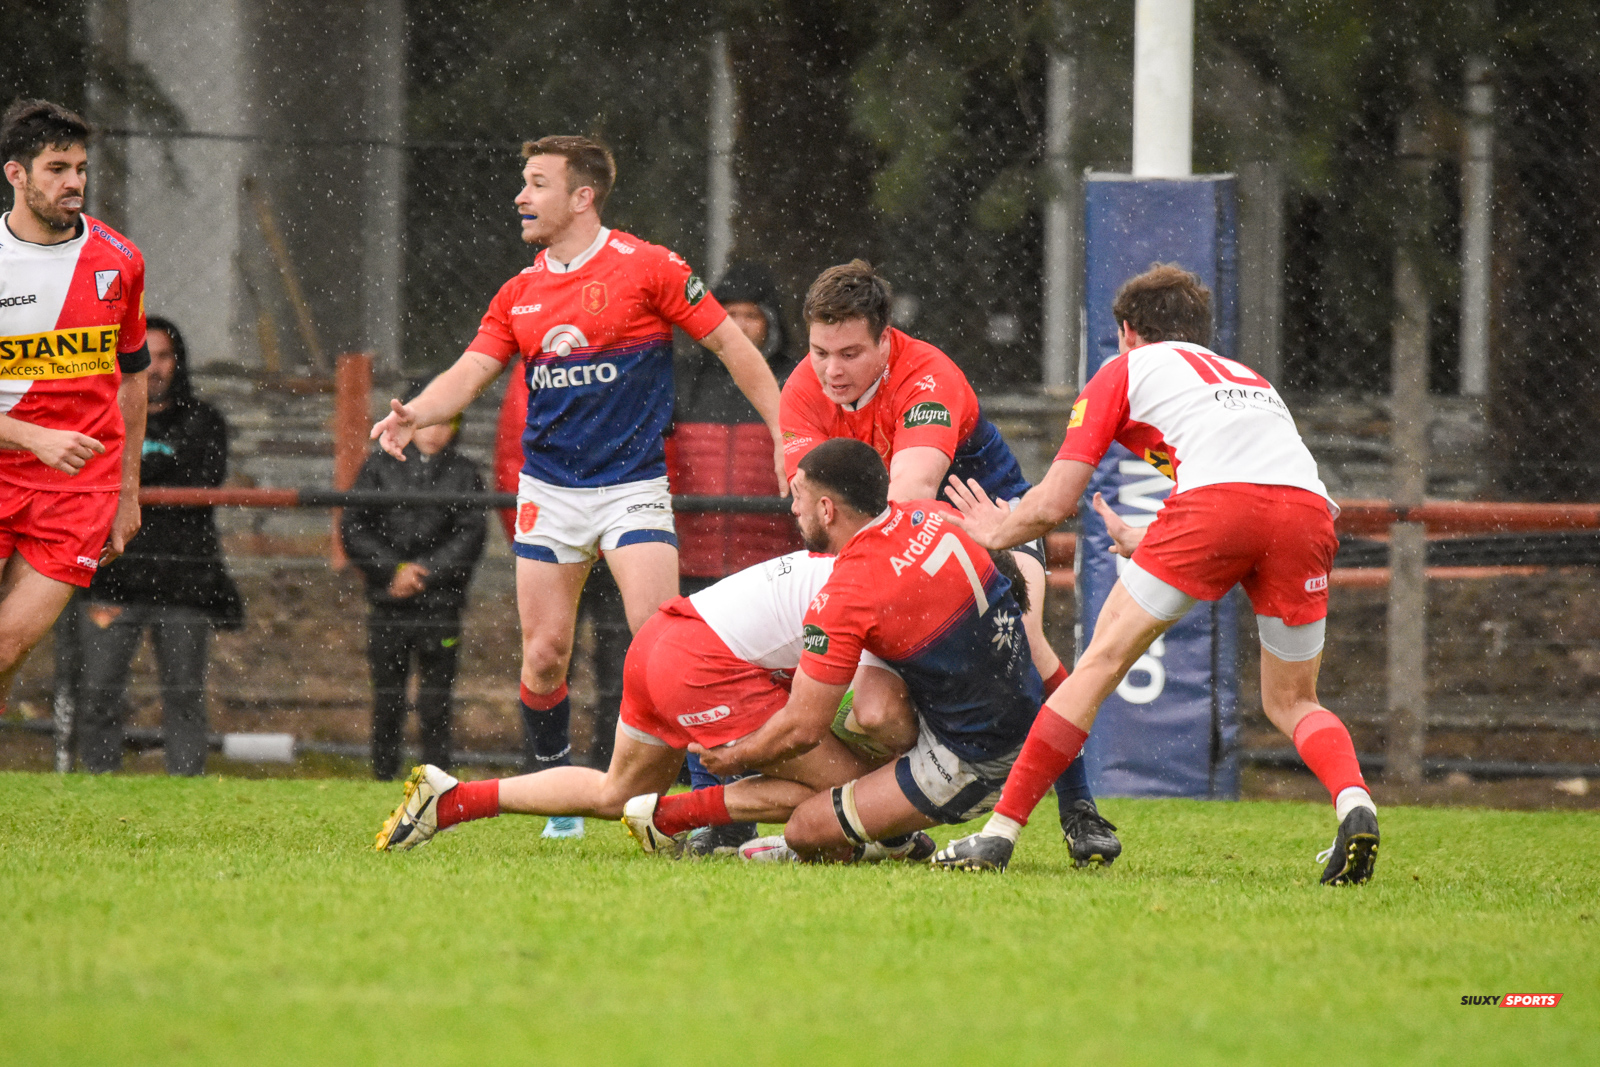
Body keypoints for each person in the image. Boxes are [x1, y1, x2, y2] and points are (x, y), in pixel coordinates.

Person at [370, 135, 786, 840]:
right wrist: (419, 412)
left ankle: (699, 804)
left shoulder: (650, 268)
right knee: (543, 655)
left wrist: (785, 429)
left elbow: (733, 346)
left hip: (632, 487)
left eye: (536, 184)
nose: (520, 197)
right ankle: (557, 792)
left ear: (582, 196)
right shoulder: (519, 293)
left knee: (665, 648)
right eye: (523, 184)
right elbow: (470, 373)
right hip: (551, 491)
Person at [932, 263, 1379, 886]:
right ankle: (1355, 804)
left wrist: (991, 532)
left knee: (1097, 666)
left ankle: (999, 833)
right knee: (1293, 699)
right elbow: (1258, 490)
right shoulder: (1249, 379)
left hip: (1219, 510)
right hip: (1306, 514)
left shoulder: (1124, 369)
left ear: (1125, 332)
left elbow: (1056, 503)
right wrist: (1148, 537)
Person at [778, 260, 1119, 866]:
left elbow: (911, 491)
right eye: (819, 350)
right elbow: (813, 504)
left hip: (986, 532)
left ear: (887, 340)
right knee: (874, 711)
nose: (832, 370)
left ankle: (1079, 809)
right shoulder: (803, 387)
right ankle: (904, 812)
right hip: (891, 551)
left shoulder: (930, 375)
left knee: (1027, 650)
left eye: (851, 353)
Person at [374, 533, 928, 863]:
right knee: (855, 794)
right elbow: (850, 717)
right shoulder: (874, 594)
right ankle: (674, 816)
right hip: (700, 665)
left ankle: (453, 799)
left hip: (663, 639)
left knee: (617, 792)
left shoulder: (857, 569)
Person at [627, 438, 1042, 864]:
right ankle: (884, 827)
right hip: (1022, 710)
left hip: (974, 758)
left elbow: (803, 729)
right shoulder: (934, 514)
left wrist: (735, 758)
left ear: (827, 510)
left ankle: (864, 833)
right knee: (868, 716)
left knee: (807, 825)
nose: (792, 509)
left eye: (799, 498)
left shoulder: (847, 594)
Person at [0, 99, 148, 725]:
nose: (74, 183)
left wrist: (128, 493)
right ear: (17, 174)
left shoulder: (120, 260)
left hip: (77, 487)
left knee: (10, 644)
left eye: (81, 168)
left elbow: (134, 384)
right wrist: (30, 435)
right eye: (57, 167)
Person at [668, 260, 803, 855]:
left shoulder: (793, 383)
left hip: (767, 564)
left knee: (767, 689)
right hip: (694, 557)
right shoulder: (682, 378)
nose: (743, 328)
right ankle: (707, 805)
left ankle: (748, 801)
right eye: (732, 316)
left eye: (753, 316)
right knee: (698, 687)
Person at [76, 317, 241, 774]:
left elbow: (202, 478)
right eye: (144, 355)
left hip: (184, 582)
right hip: (111, 576)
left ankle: (185, 787)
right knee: (98, 693)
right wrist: (146, 476)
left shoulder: (204, 420)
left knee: (185, 696)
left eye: (164, 355)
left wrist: (129, 477)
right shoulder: (101, 417)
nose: (154, 367)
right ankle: (94, 788)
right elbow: (91, 475)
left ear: (178, 360)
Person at [342, 380, 487, 781]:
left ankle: (437, 778)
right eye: (430, 421)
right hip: (388, 604)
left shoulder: (464, 474)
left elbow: (470, 534)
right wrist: (392, 571)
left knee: (436, 698)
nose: (438, 431)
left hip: (440, 607)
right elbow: (355, 528)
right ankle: (383, 773)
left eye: (447, 422)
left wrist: (424, 573)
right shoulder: (377, 468)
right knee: (387, 695)